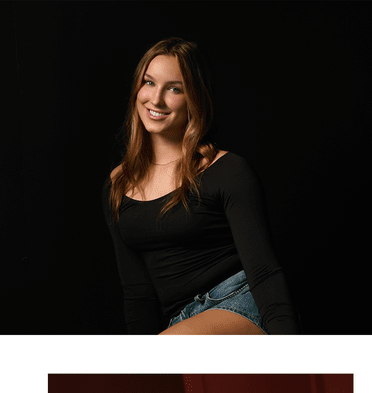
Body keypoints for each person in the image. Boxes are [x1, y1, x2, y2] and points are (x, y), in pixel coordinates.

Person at [102, 38, 296, 335]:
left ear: (195, 97)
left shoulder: (228, 171)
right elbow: (137, 293)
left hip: (239, 301)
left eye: (174, 88)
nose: (156, 100)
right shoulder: (118, 185)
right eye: (149, 83)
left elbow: (265, 273)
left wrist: (295, 358)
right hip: (179, 322)